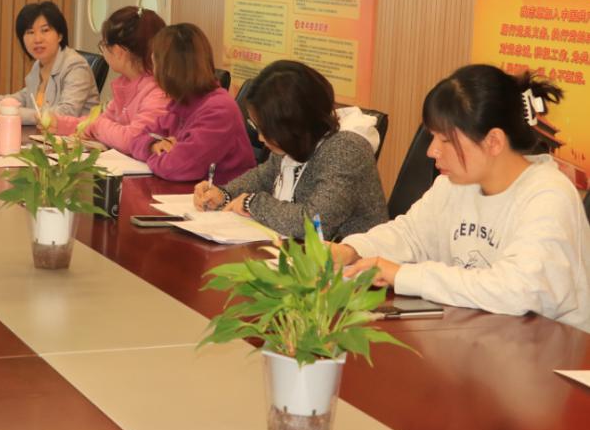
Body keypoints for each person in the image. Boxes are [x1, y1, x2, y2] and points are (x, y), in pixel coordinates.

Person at [332, 64, 590, 332]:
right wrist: (353, 251)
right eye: (432, 137)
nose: (432, 151)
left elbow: (519, 290)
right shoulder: (455, 183)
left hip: (549, 347)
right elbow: (410, 235)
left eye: (445, 140)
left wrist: (403, 275)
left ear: (493, 141)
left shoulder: (549, 195)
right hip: (480, 336)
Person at [191, 60, 387, 239]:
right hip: (296, 251)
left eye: (265, 130)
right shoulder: (299, 139)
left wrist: (253, 203)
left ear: (292, 124)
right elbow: (263, 177)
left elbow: (315, 223)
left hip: (346, 261)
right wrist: (224, 194)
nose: (260, 138)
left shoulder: (347, 150)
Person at [129, 24, 253, 182]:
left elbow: (176, 167)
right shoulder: (183, 101)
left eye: (155, 64)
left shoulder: (219, 110)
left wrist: (158, 155)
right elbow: (136, 140)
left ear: (170, 69)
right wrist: (153, 146)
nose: (154, 72)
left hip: (221, 195)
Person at [53, 6, 169, 154]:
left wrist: (97, 126)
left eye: (104, 45)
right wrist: (59, 124)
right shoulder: (126, 84)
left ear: (118, 52)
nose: (103, 51)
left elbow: (132, 140)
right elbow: (100, 121)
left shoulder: (158, 92)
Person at [0, 1, 99, 126]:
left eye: (45, 30)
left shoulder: (75, 66)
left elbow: (66, 113)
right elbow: (25, 97)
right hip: (45, 135)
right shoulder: (39, 64)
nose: (37, 39)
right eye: (30, 32)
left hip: (77, 137)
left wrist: (12, 113)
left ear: (60, 35)